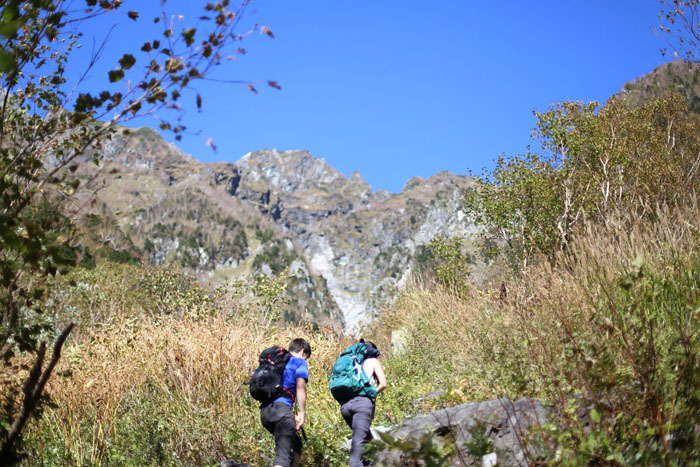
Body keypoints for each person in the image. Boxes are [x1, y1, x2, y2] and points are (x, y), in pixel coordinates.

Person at [260, 338, 312, 467]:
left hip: (266, 412)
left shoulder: (276, 363)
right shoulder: (299, 362)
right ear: (302, 351)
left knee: (296, 445)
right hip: (282, 411)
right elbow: (300, 386)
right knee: (283, 456)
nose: (305, 360)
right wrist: (302, 413)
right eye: (306, 357)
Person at [340, 340, 387, 467]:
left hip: (345, 406)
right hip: (362, 405)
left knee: (368, 441)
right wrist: (371, 393)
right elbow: (383, 384)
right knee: (358, 443)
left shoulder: (352, 363)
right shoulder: (373, 361)